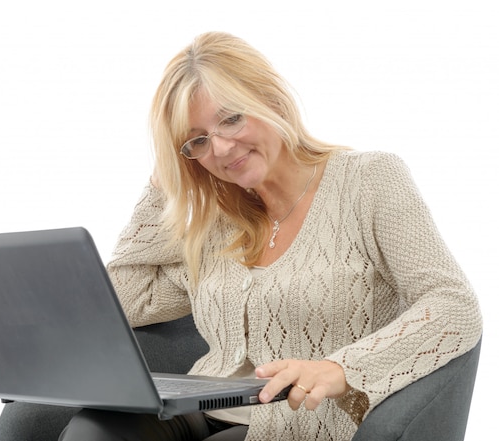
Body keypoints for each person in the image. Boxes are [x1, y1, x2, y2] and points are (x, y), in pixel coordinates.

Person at [59, 31, 483, 441]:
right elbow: (125, 302)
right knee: (91, 431)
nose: (221, 149)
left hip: (301, 423)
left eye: (231, 118)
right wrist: (161, 184)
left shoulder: (369, 181)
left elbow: (453, 304)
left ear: (272, 100)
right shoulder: (218, 222)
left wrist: (339, 369)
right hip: (199, 411)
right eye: (198, 142)